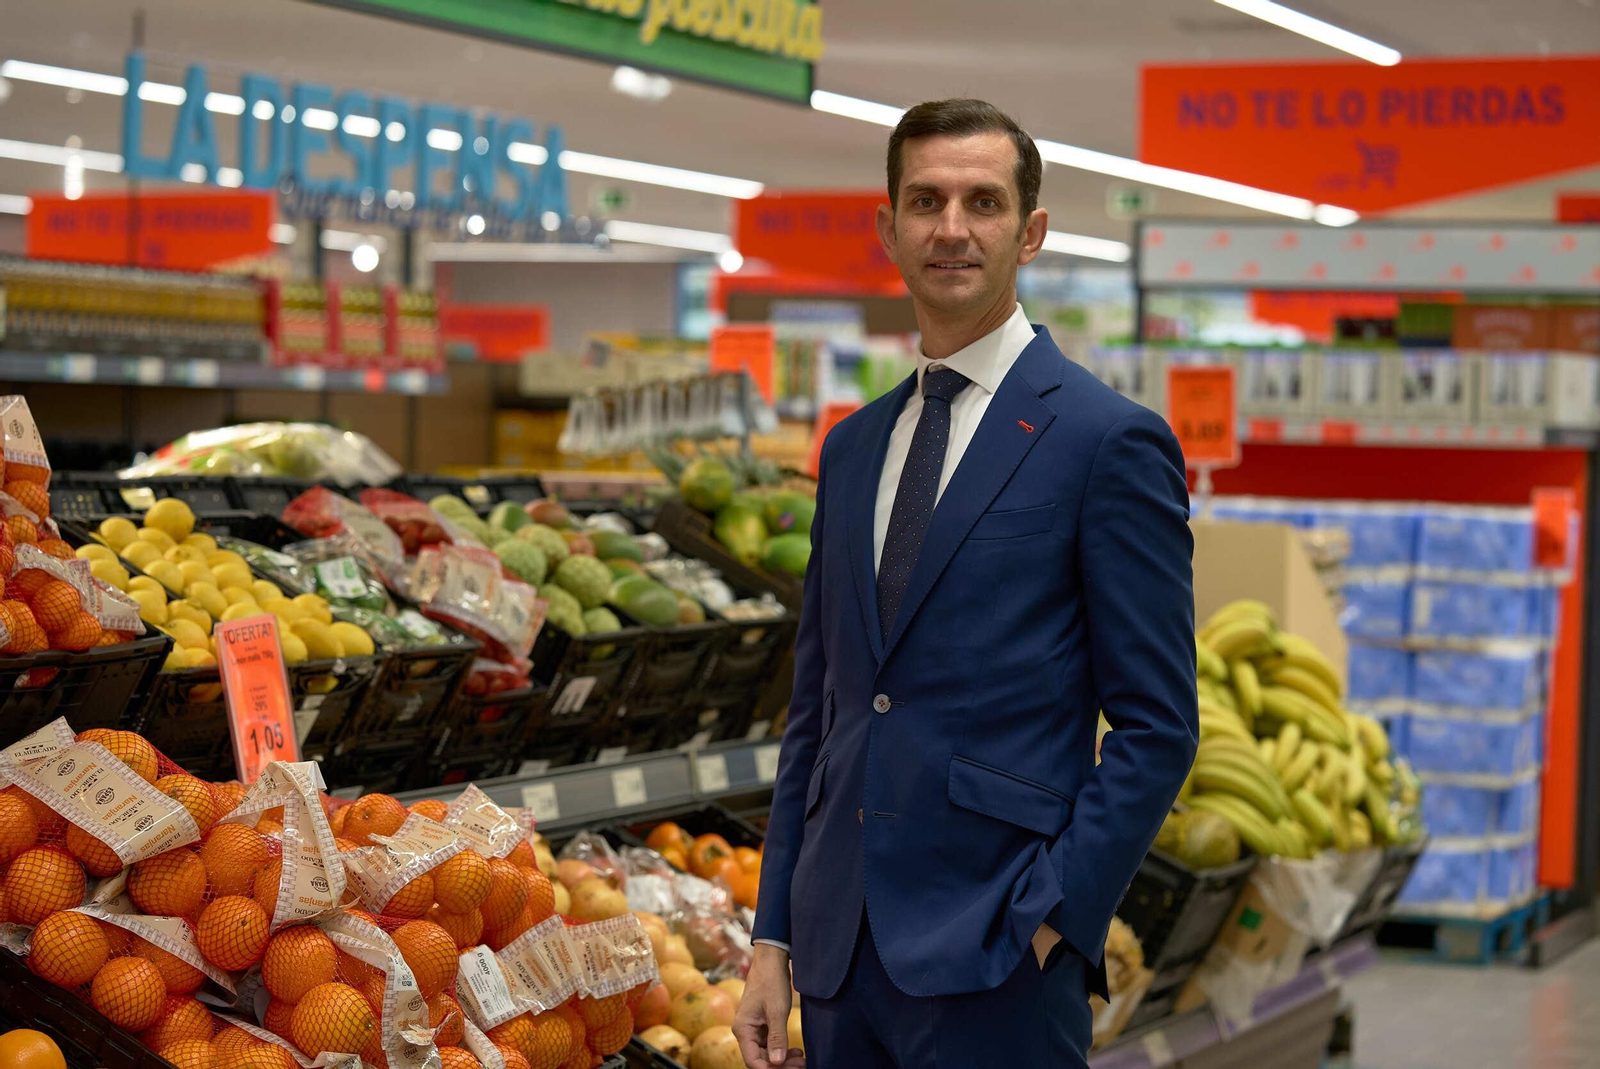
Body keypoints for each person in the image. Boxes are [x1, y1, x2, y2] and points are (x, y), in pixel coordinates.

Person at [732, 99, 1198, 1068]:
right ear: (887, 226)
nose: (951, 228)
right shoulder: (854, 448)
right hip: (838, 956)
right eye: (925, 200)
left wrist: (1052, 918)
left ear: (1030, 231)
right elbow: (820, 712)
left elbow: (1157, 724)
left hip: (998, 961)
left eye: (982, 202)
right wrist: (772, 935)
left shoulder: (1103, 441)